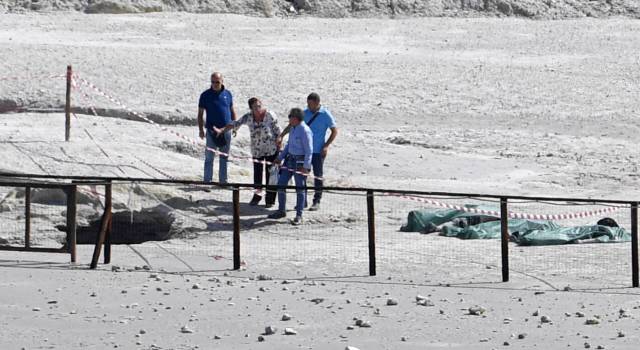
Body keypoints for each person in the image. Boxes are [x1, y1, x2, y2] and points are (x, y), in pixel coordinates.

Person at [217, 97, 282, 207]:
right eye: (255, 107)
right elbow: (236, 123)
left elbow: (278, 131)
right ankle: (257, 197)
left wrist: (279, 147)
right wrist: (223, 130)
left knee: (271, 176)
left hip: (271, 150)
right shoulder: (248, 117)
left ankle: (270, 200)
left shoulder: (270, 115)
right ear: (251, 108)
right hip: (257, 151)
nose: (258, 109)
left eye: (259, 106)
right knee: (257, 175)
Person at [278, 93, 337, 211]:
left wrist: (326, 146)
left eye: (310, 104)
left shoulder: (325, 114)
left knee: (318, 175)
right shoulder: (304, 113)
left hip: (317, 151)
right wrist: (282, 135)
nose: (308, 106)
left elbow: (334, 131)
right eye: (307, 104)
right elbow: (292, 125)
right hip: (304, 152)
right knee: (302, 176)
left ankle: (317, 201)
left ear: (316, 102)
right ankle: (303, 201)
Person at [268, 108, 313, 225]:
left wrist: (306, 166)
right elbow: (288, 145)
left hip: (300, 162)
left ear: (296, 118)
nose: (289, 119)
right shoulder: (293, 128)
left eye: (290, 117)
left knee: (300, 188)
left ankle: (299, 215)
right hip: (289, 160)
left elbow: (309, 150)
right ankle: (281, 210)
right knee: (281, 184)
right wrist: (280, 158)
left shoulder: (305, 130)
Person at [197, 72, 236, 184]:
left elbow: (232, 111)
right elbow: (200, 114)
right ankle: (207, 181)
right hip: (211, 130)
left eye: (217, 82)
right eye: (213, 82)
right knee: (209, 157)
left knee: (224, 157)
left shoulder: (228, 94)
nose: (214, 84)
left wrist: (234, 127)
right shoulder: (205, 95)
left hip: (226, 130)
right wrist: (201, 130)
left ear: (222, 81)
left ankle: (223, 181)